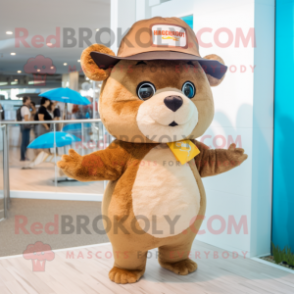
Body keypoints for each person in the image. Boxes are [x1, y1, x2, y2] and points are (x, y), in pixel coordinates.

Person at [20, 96, 32, 161]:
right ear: (26, 100)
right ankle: (23, 157)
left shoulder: (24, 108)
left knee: (25, 142)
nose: (30, 101)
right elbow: (26, 119)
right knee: (25, 142)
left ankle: (24, 157)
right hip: (26, 126)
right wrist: (31, 121)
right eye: (29, 99)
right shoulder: (25, 108)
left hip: (24, 126)